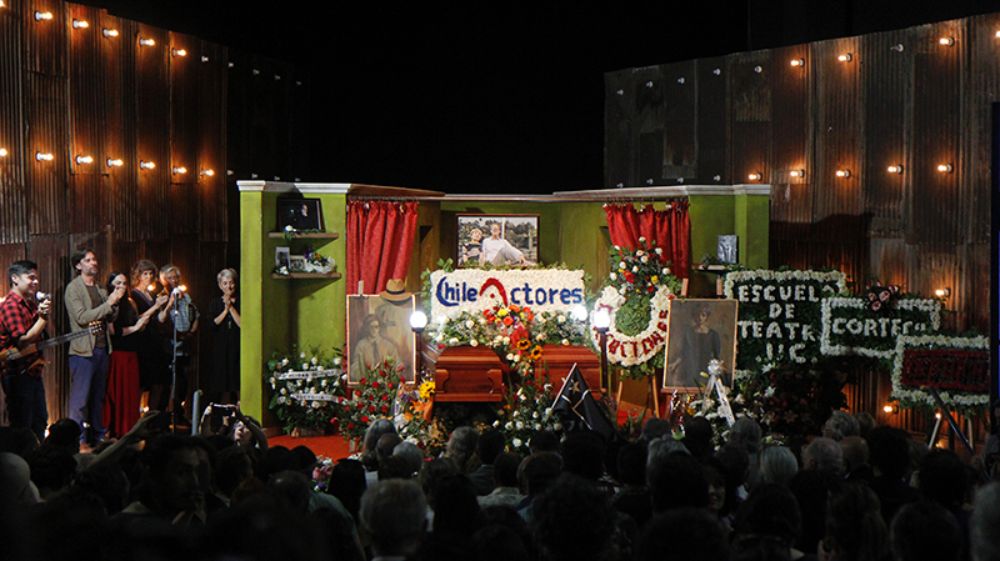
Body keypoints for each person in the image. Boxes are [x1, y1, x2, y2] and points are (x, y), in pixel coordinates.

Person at [65, 249, 126, 446]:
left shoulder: (99, 289)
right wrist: (109, 303)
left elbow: (108, 317)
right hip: (83, 351)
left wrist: (115, 303)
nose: (93, 263)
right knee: (80, 400)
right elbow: (82, 318)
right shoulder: (73, 289)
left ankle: (98, 435)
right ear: (78, 265)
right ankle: (78, 438)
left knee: (99, 397)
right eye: (88, 260)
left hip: (102, 348)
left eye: (94, 259)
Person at [103, 271, 161, 439]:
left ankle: (130, 428)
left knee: (131, 394)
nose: (121, 287)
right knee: (118, 393)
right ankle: (115, 429)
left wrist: (155, 308)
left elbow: (137, 321)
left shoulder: (130, 302)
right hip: (119, 353)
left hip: (132, 353)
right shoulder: (110, 304)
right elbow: (113, 331)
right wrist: (135, 328)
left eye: (124, 283)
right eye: (117, 284)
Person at [0, 260, 52, 441]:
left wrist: (42, 317)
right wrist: (43, 317)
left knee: (40, 421)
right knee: (23, 427)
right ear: (15, 278)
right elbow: (23, 340)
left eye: (36, 278)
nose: (35, 282)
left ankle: (37, 462)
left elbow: (39, 336)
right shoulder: (11, 305)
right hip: (18, 374)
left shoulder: (28, 304)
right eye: (31, 277)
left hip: (32, 371)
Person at [156, 264, 198, 418]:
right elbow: (160, 319)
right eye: (170, 278)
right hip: (169, 346)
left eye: (176, 277)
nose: (174, 280)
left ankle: (179, 412)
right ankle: (163, 415)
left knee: (182, 382)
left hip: (184, 345)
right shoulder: (161, 295)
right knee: (167, 383)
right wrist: (169, 303)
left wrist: (191, 331)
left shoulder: (185, 296)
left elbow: (195, 314)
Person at [130, 260, 169, 414]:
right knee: (142, 381)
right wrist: (155, 307)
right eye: (145, 273)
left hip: (155, 341)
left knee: (158, 381)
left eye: (150, 273)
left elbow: (159, 318)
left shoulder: (152, 294)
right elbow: (137, 317)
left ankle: (152, 416)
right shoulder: (133, 295)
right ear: (138, 276)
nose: (148, 277)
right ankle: (137, 415)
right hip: (142, 342)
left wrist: (168, 304)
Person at [668, 303, 722, 388]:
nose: (700, 318)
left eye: (703, 315)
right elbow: (683, 352)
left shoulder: (713, 335)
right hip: (690, 367)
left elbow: (716, 356)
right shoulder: (688, 332)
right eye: (697, 315)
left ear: (707, 316)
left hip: (706, 368)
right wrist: (675, 364)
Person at [207, 268, 241, 403]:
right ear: (220, 285)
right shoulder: (215, 303)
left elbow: (242, 325)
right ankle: (224, 421)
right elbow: (212, 324)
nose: (229, 286)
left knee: (238, 384)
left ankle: (243, 418)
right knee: (223, 387)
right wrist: (225, 309)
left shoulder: (241, 301)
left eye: (231, 283)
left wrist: (231, 308)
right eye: (225, 283)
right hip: (221, 349)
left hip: (238, 348)